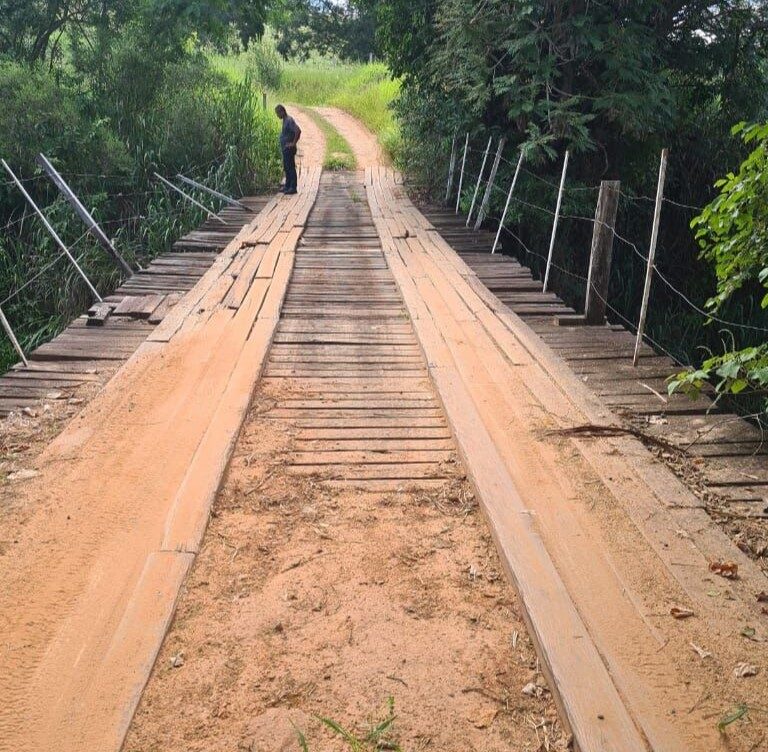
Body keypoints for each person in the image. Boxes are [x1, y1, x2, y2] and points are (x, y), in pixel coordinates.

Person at [275, 104, 301, 195]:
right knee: (286, 167)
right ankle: (287, 185)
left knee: (290, 168)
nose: (277, 115)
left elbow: (298, 130)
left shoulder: (289, 120)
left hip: (289, 149)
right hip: (286, 149)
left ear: (282, 111)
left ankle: (293, 187)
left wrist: (293, 143)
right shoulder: (285, 120)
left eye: (278, 113)